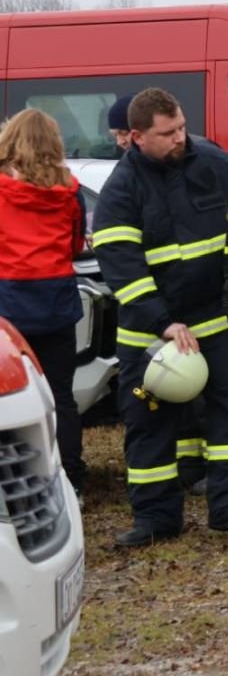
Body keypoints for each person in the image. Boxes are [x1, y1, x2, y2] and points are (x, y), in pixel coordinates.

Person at [92, 88, 228, 545]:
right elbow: (121, 265)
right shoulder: (120, 191)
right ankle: (155, 519)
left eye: (182, 128)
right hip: (153, 332)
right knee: (148, 424)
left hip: (217, 317)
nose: (179, 140)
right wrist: (163, 323)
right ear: (135, 137)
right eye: (167, 133)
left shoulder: (209, 159)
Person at [0, 109, 87, 494]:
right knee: (61, 395)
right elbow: (75, 244)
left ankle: (18, 481)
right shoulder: (70, 190)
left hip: (10, 304)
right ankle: (71, 478)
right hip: (56, 302)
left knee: (11, 396)